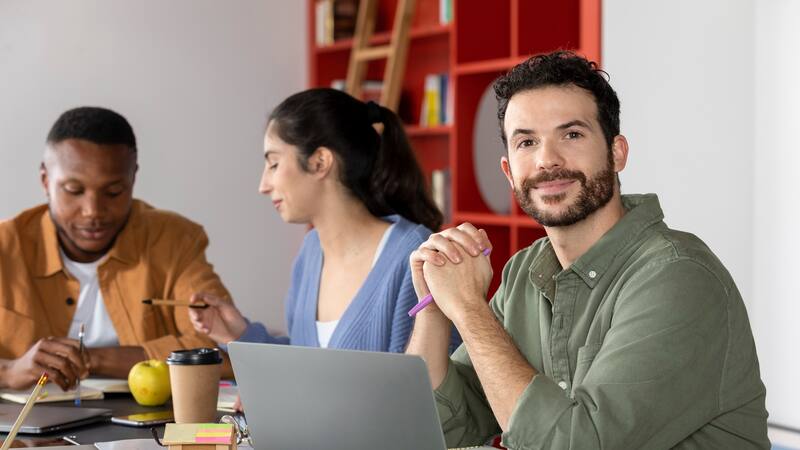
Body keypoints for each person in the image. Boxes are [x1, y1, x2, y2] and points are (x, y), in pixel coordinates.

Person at [406, 51, 769, 449]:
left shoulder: (678, 277)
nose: (547, 160)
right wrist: (435, 306)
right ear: (509, 172)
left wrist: (469, 309)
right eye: (527, 142)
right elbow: (436, 430)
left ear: (617, 153)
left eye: (572, 135)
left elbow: (574, 444)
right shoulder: (524, 272)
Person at [190, 88, 454, 354]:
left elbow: (441, 375)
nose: (263, 186)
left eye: (274, 164)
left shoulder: (416, 257)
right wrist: (239, 335)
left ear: (320, 162)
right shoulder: (311, 251)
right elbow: (306, 364)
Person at [0, 107, 232, 390]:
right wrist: (8, 371)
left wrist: (90, 358)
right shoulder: (5, 246)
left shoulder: (175, 240)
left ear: (133, 178)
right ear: (46, 181)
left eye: (113, 192)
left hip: (144, 417)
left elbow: (221, 350)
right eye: (74, 190)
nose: (93, 211)